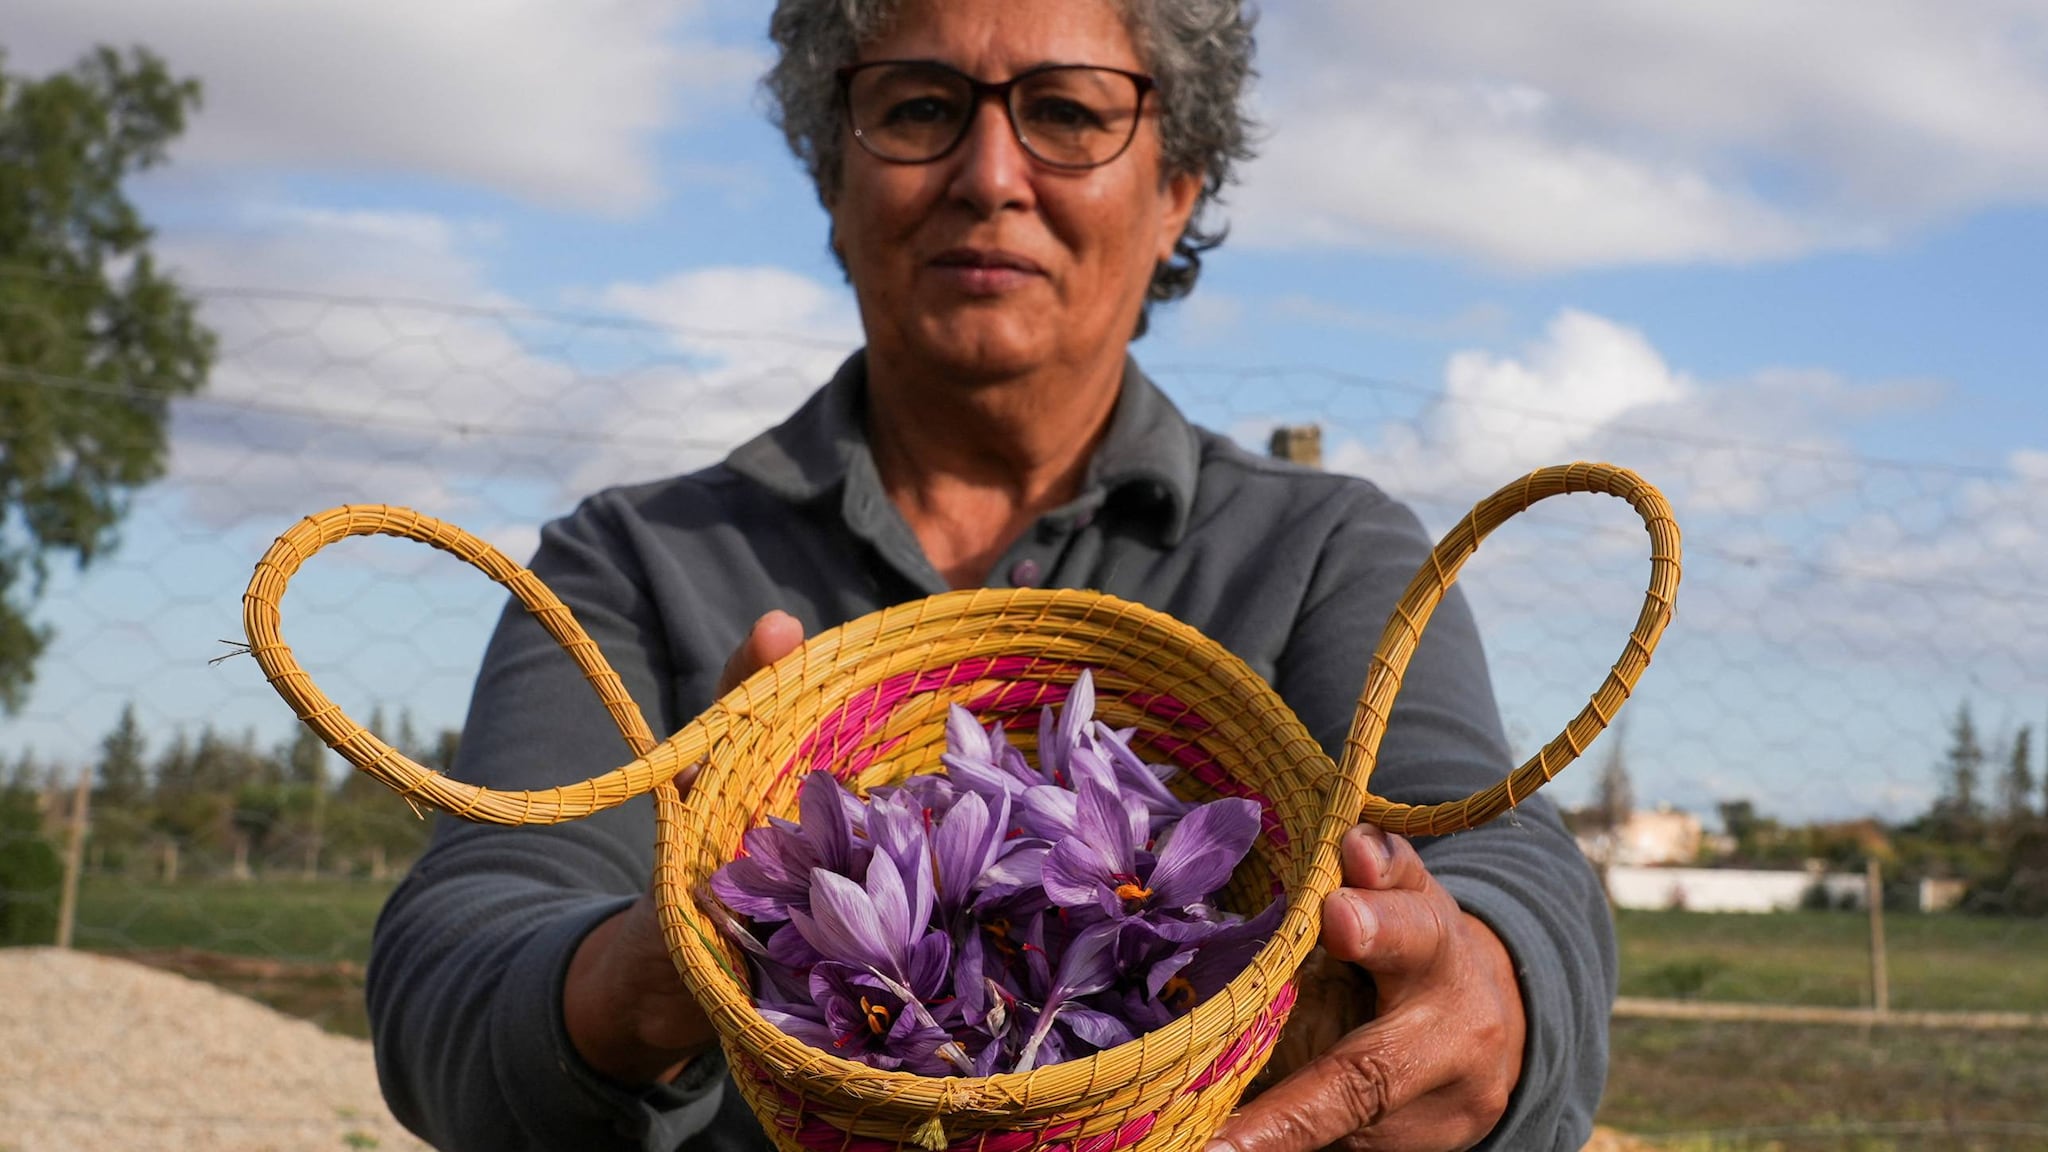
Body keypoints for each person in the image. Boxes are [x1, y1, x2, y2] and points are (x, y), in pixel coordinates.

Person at [365, 2, 1616, 1150]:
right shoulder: (635, 562)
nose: (988, 175)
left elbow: (1497, 858)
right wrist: (670, 956)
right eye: (916, 109)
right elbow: (457, 963)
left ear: (1175, 189)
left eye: (1069, 113)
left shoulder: (1324, 554)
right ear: (832, 178)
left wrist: (1483, 979)